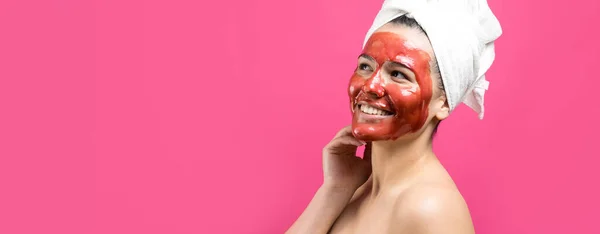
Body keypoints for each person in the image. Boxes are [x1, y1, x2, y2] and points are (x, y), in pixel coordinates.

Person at [286, 0, 502, 233]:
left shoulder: (431, 208)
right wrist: (335, 189)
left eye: (399, 74)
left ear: (444, 102)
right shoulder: (357, 190)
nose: (371, 85)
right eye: (366, 66)